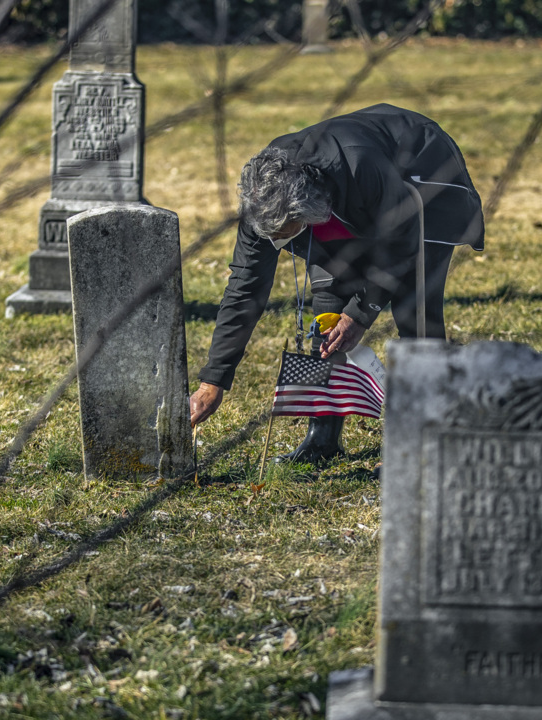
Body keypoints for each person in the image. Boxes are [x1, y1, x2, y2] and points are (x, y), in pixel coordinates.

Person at [189, 103, 485, 462]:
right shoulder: (261, 202)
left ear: (306, 214)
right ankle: (322, 438)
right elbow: (245, 287)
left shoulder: (360, 168)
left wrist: (361, 313)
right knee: (327, 312)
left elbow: (402, 243)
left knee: (414, 305)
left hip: (422, 176)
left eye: (285, 235)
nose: (277, 243)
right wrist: (214, 380)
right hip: (345, 202)